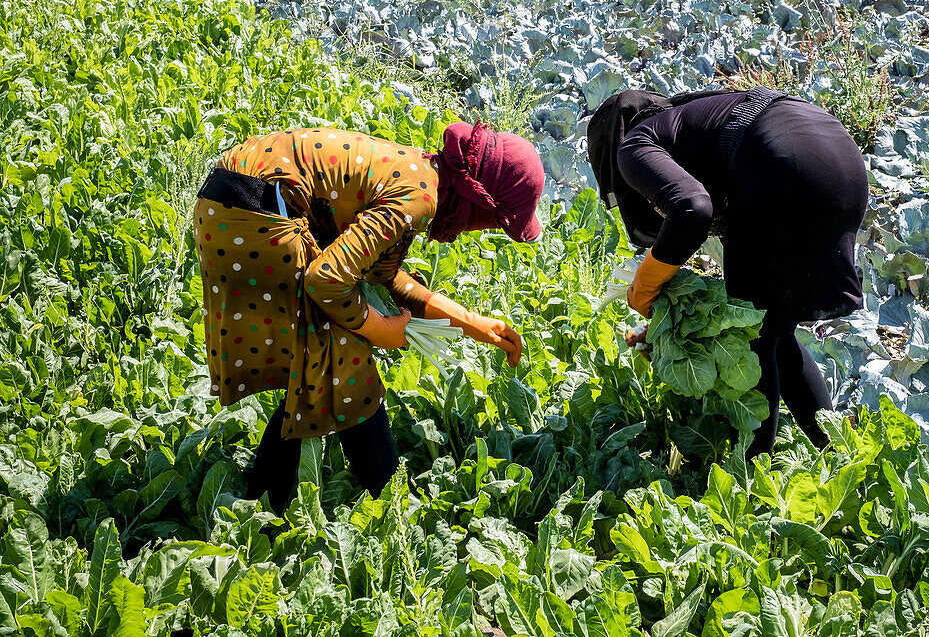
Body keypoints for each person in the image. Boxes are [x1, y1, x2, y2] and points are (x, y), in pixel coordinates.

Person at [193, 121, 544, 511]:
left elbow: (381, 275)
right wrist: (381, 331)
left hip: (234, 198)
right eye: (495, 220)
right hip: (251, 211)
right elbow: (326, 280)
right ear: (478, 200)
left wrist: (472, 322)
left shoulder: (422, 173)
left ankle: (263, 499)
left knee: (321, 359)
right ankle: (388, 500)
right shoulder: (419, 199)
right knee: (341, 356)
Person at [587, 87, 868, 458]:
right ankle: (839, 455)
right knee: (772, 327)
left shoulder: (633, 145)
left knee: (753, 338)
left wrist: (644, 284)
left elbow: (692, 208)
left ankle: (751, 479)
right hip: (843, 163)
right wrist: (668, 327)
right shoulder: (687, 122)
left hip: (783, 169)